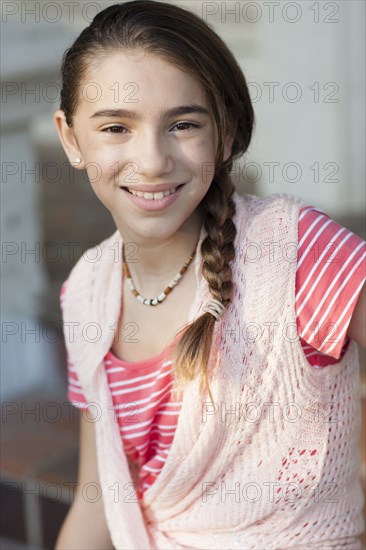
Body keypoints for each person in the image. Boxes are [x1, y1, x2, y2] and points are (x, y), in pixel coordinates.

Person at [53, 1, 366, 548]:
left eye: (183, 124)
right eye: (116, 127)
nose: (151, 160)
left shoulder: (296, 253)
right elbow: (97, 498)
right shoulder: (85, 290)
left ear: (226, 134)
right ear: (72, 139)